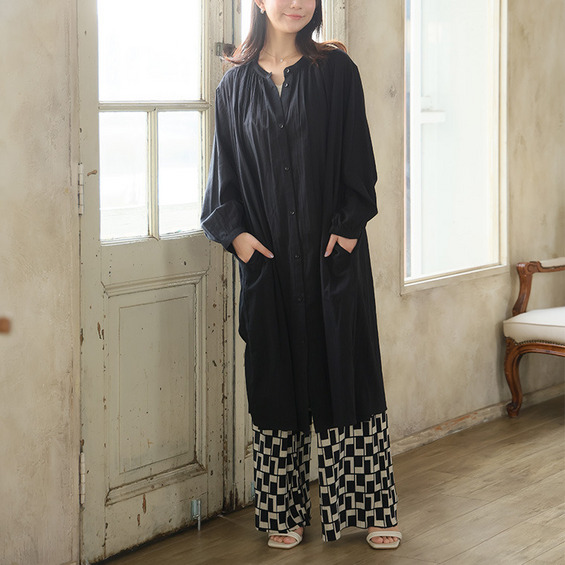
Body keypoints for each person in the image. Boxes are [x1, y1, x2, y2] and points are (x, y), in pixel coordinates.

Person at [201, 0, 401, 551]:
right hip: (269, 265)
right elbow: (222, 179)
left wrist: (350, 228)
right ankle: (283, 511)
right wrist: (239, 240)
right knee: (276, 381)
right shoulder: (233, 87)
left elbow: (359, 159)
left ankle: (369, 506)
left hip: (332, 255)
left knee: (350, 372)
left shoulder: (336, 72)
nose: (296, 3)